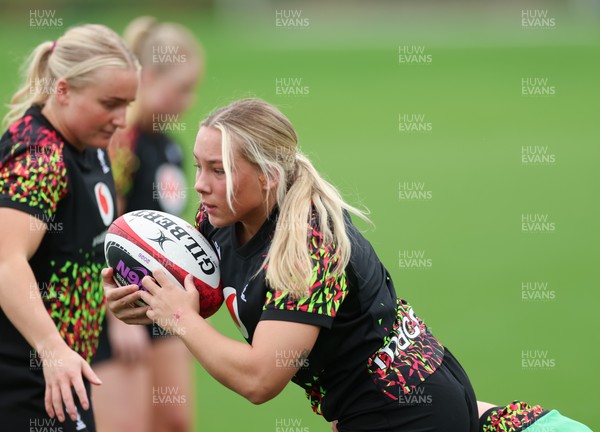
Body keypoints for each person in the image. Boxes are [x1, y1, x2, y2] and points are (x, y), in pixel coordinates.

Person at [103, 98, 592, 432]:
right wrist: (140, 300)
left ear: (270, 175)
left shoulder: (310, 247)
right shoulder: (218, 219)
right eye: (199, 164)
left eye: (220, 170)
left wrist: (179, 319)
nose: (202, 184)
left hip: (409, 414)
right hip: (389, 408)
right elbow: (196, 299)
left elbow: (259, 380)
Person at [0, 24, 139, 432]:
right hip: (25, 379)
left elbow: (74, 252)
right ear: (63, 90)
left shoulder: (89, 148)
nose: (121, 119)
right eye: (110, 103)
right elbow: (6, 260)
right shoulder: (41, 159)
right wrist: (51, 348)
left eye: (128, 103)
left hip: (63, 374)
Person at [92, 16, 203, 432]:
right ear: (151, 76)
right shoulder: (123, 142)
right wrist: (118, 318)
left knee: (174, 420)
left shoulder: (170, 147)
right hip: (123, 308)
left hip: (166, 302)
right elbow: (106, 230)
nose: (188, 101)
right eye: (182, 88)